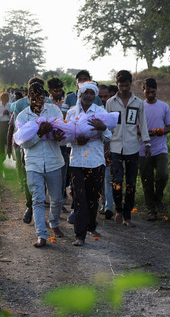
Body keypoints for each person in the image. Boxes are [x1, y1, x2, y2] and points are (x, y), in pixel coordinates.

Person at [15, 82, 66, 248]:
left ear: (44, 97)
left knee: (57, 198)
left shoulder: (54, 110)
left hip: (54, 161)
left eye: (41, 98)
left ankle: (54, 224)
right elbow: (25, 145)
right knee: (38, 200)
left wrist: (59, 135)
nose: (39, 101)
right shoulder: (22, 117)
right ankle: (41, 235)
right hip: (33, 164)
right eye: (35, 98)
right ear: (29, 98)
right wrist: (39, 133)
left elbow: (63, 137)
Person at [66, 81, 112, 246]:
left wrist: (103, 127)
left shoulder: (100, 112)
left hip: (95, 162)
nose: (89, 96)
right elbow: (66, 139)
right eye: (86, 93)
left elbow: (108, 138)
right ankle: (80, 235)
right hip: (77, 162)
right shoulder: (72, 113)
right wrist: (75, 139)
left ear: (95, 96)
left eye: (92, 94)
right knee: (79, 199)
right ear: (80, 94)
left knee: (93, 199)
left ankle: (91, 226)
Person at [106, 70, 151, 227]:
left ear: (131, 84)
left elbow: (143, 124)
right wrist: (106, 146)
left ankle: (127, 216)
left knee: (131, 183)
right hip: (115, 147)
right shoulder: (110, 103)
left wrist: (147, 143)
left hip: (132, 147)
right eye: (120, 85)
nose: (123, 88)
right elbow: (107, 126)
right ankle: (118, 209)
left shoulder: (138, 103)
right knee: (117, 182)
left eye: (126, 85)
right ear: (117, 84)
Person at [7, 77, 45, 224]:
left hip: (44, 147)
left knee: (41, 178)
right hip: (26, 145)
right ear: (28, 93)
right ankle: (30, 206)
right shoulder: (19, 106)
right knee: (30, 177)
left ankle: (34, 206)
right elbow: (14, 125)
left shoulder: (48, 107)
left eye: (40, 90)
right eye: (34, 91)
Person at [138, 78, 170, 221]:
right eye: (147, 91)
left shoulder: (164, 106)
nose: (150, 94)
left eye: (153, 91)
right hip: (142, 149)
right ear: (143, 90)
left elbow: (169, 127)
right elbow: (134, 128)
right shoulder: (139, 106)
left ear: (156, 90)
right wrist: (147, 133)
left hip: (160, 148)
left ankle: (158, 199)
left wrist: (160, 132)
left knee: (163, 175)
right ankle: (151, 210)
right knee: (147, 181)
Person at [46, 77, 69, 213]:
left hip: (63, 144)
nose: (59, 93)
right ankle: (52, 201)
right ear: (49, 91)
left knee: (63, 174)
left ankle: (59, 201)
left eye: (60, 90)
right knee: (51, 174)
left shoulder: (63, 103)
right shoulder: (46, 103)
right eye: (56, 91)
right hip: (50, 144)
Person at [97, 84, 114, 219]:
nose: (103, 99)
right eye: (100, 96)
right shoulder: (95, 111)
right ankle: (102, 203)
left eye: (105, 96)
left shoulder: (111, 110)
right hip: (96, 150)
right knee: (100, 178)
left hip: (110, 148)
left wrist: (107, 148)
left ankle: (109, 206)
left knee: (108, 178)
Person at [0, 91, 12, 159]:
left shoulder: (10, 105)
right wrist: (2, 114)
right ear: (1, 98)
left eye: (6, 98)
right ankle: (1, 155)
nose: (5, 99)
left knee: (8, 139)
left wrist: (8, 114)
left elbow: (11, 117)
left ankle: (9, 154)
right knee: (0, 140)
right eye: (4, 98)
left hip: (7, 123)